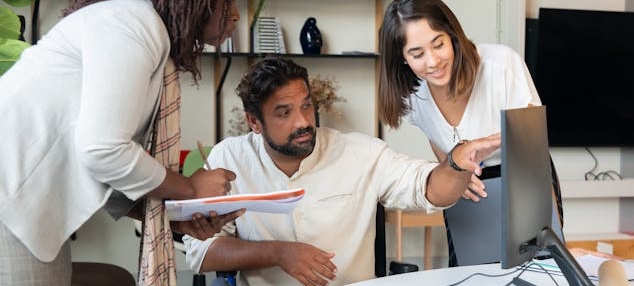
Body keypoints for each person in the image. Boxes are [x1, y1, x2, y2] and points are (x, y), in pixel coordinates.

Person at [0, 0, 246, 284]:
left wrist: (169, 217)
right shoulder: (132, 25)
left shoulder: (135, 27)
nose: (236, 14)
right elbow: (102, 151)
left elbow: (100, 162)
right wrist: (189, 189)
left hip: (22, 212)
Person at [183, 56, 501, 286]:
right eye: (284, 112)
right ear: (254, 121)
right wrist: (278, 253)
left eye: (307, 105)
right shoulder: (230, 158)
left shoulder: (360, 152)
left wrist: (457, 162)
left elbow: (428, 188)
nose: (303, 121)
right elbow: (202, 252)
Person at [377, 0, 564, 267]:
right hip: (465, 184)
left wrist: (549, 226)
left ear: (452, 35)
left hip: (522, 174)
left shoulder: (500, 65)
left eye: (438, 44)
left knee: (539, 267)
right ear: (403, 58)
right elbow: (436, 136)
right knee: (467, 270)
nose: (432, 61)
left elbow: (530, 144)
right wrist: (452, 171)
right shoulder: (413, 94)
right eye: (417, 54)